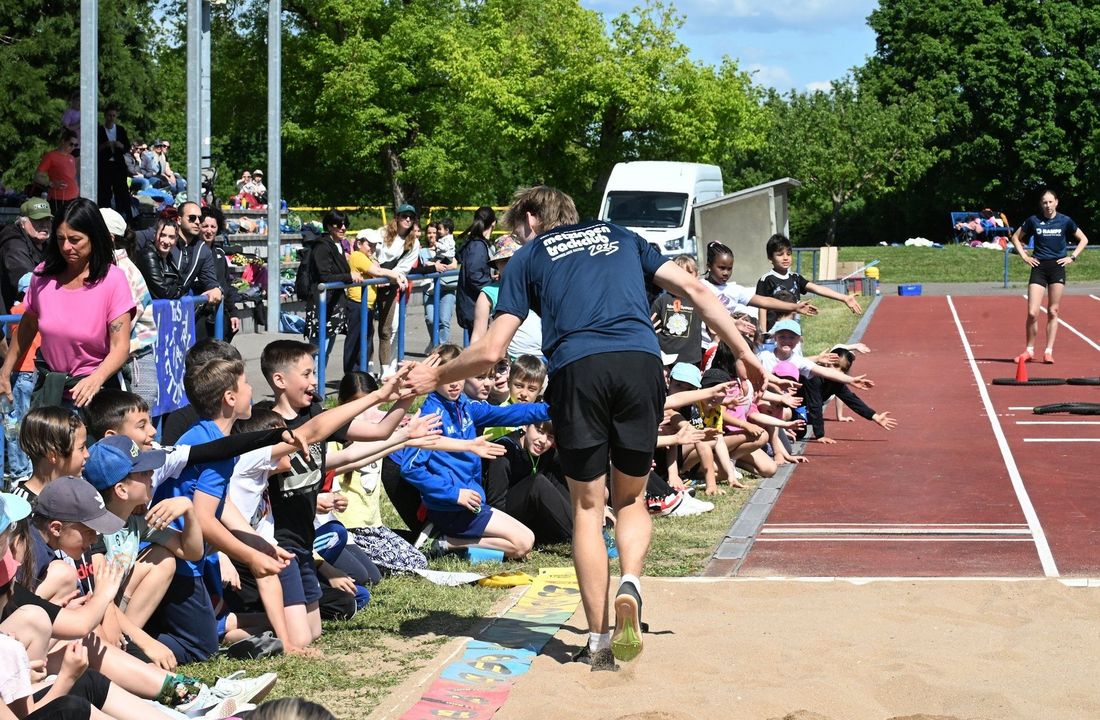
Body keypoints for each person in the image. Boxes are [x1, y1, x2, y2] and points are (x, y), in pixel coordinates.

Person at [404, 185, 770, 671]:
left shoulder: (528, 256)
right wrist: (743, 352)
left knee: (588, 508)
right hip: (640, 362)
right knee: (631, 498)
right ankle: (630, 582)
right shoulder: (621, 235)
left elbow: (491, 351)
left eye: (518, 229)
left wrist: (434, 376)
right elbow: (699, 291)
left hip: (578, 368)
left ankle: (599, 641)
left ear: (531, 220)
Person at [0, 198, 135, 409]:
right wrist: (5, 371)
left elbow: (120, 346)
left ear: (94, 237)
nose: (66, 247)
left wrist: (96, 379)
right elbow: (28, 325)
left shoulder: (113, 280)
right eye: (60, 238)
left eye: (75, 239)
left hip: (97, 398)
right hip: (50, 394)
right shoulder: (42, 276)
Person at [1010, 189, 1090, 364]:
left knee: (1053, 311)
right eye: (1044, 202)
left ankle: (1048, 351)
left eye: (1050, 202)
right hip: (1038, 267)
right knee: (1032, 313)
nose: (1047, 205)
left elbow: (1084, 239)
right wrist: (1024, 256)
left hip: (1057, 268)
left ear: (1056, 202)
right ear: (1041, 204)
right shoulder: (1033, 220)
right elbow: (1015, 237)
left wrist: (1072, 257)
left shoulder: (1065, 220)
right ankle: (1029, 350)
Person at [100, 207, 159, 409]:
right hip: (121, 362)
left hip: (134, 365)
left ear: (109, 238)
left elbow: (124, 323)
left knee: (136, 424)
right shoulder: (111, 268)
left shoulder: (123, 271)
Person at [755, 233, 862, 332]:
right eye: (780, 254)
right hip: (774, 333)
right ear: (770, 258)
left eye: (788, 254)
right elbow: (762, 308)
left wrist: (844, 298)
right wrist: (763, 333)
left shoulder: (795, 277)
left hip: (793, 332)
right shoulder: (766, 280)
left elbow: (817, 289)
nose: (785, 258)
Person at [304, 210, 363, 365]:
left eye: (345, 224)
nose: (343, 228)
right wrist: (349, 276)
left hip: (334, 304)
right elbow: (324, 277)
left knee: (326, 351)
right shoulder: (322, 246)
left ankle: (318, 379)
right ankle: (313, 379)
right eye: (338, 224)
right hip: (322, 304)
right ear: (329, 226)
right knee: (318, 351)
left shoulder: (338, 245)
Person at [374, 205, 420, 376]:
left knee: (388, 329)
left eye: (411, 217)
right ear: (397, 217)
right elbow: (370, 252)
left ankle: (386, 369)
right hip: (371, 281)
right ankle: (368, 369)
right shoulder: (382, 233)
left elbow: (404, 267)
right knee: (367, 330)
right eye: (404, 216)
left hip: (391, 285)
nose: (408, 219)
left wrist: (388, 277)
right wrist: (376, 271)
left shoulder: (413, 242)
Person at [198, 206, 243, 341]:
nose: (209, 230)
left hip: (218, 314)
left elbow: (225, 285)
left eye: (213, 226)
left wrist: (233, 312)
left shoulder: (219, 254)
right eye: (205, 226)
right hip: (198, 316)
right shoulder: (191, 253)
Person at [0, 199, 53, 312]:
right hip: (13, 315)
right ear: (22, 223)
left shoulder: (48, 243)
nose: (44, 224)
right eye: (37, 220)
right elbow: (26, 282)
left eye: (47, 219)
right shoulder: (14, 245)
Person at [455, 206, 496, 335]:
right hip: (475, 306)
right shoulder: (478, 245)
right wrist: (493, 288)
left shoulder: (476, 243)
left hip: (474, 305)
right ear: (493, 223)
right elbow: (475, 275)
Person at [135, 217, 187, 300]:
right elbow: (164, 293)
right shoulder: (148, 255)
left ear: (176, 240)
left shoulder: (169, 257)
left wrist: (180, 289)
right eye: (163, 235)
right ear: (155, 235)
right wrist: (180, 291)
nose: (166, 241)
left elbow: (181, 283)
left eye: (171, 237)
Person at [96, 103, 132, 221]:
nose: (111, 118)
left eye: (113, 116)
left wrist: (119, 145)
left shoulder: (120, 130)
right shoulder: (99, 130)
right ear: (105, 116)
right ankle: (103, 216)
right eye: (109, 115)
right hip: (104, 165)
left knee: (122, 192)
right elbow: (95, 148)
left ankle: (125, 217)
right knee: (104, 192)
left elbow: (127, 147)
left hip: (118, 165)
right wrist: (105, 145)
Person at [33, 130, 79, 218]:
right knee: (58, 223)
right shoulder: (51, 156)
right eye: (71, 144)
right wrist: (51, 184)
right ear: (63, 141)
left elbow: (72, 177)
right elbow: (37, 176)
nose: (73, 147)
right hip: (59, 199)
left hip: (73, 199)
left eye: (75, 145)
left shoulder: (71, 158)